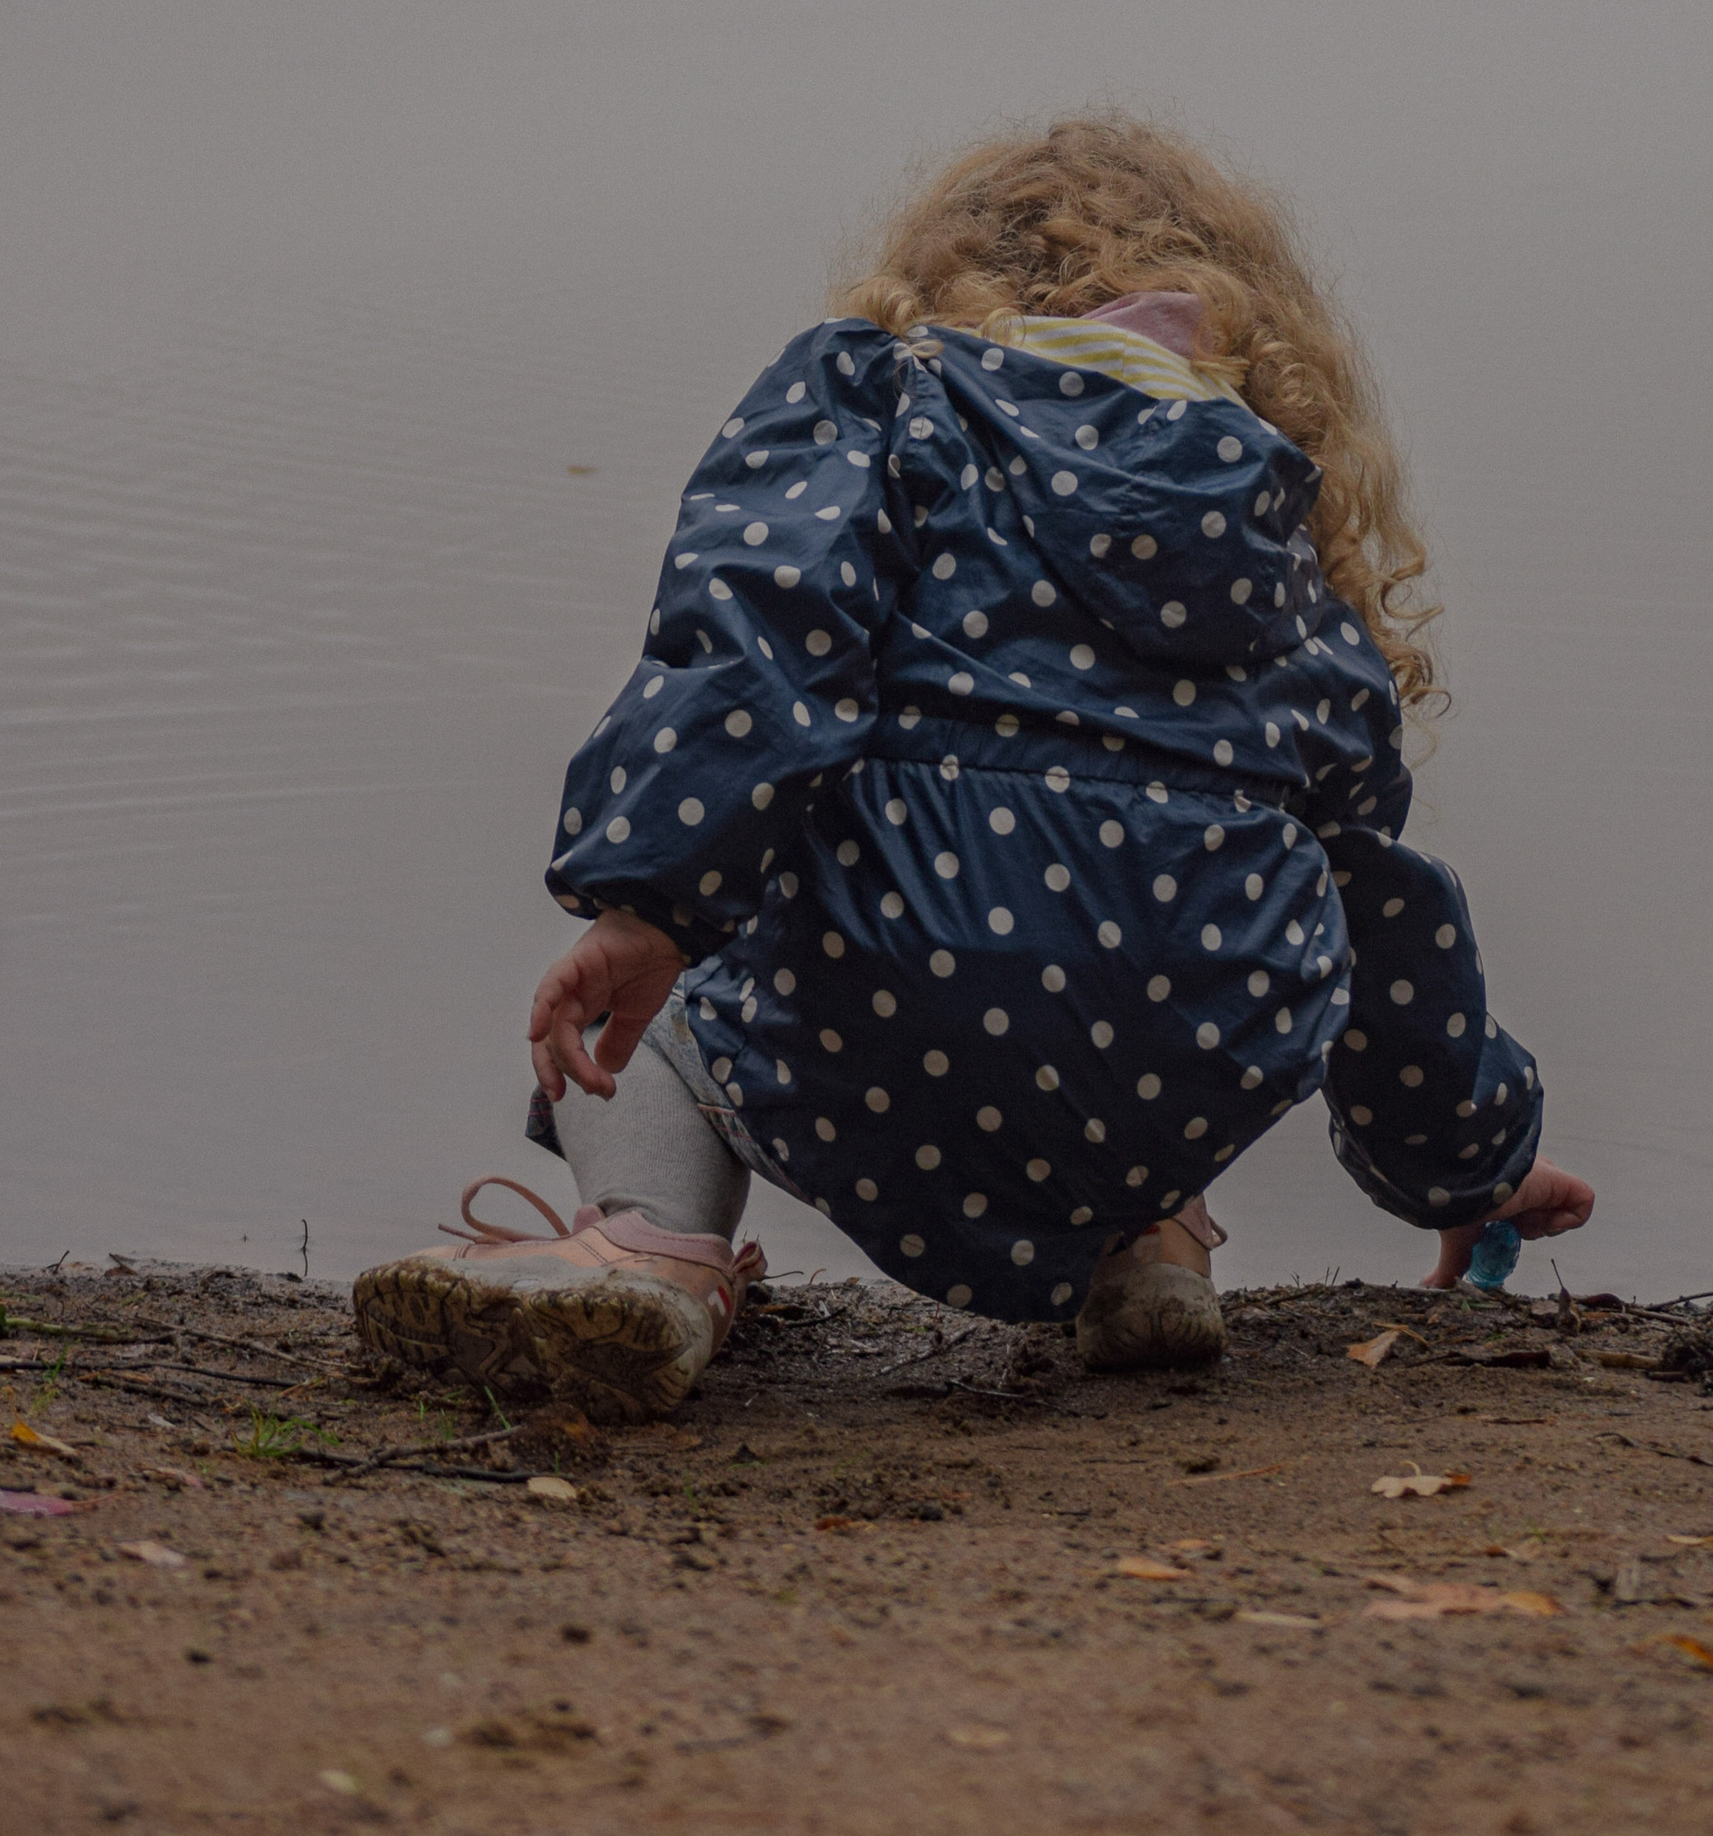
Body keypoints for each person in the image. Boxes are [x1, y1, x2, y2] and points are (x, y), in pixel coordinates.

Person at [355, 115, 1593, 1419]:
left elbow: (762, 647)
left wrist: (648, 906)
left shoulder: (881, 397)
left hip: (885, 1021)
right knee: (1176, 885)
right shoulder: (1271, 539)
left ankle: (654, 1246)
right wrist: (1470, 1168)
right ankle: (1150, 1249)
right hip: (1175, 1082)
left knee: (657, 1008)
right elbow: (1378, 903)